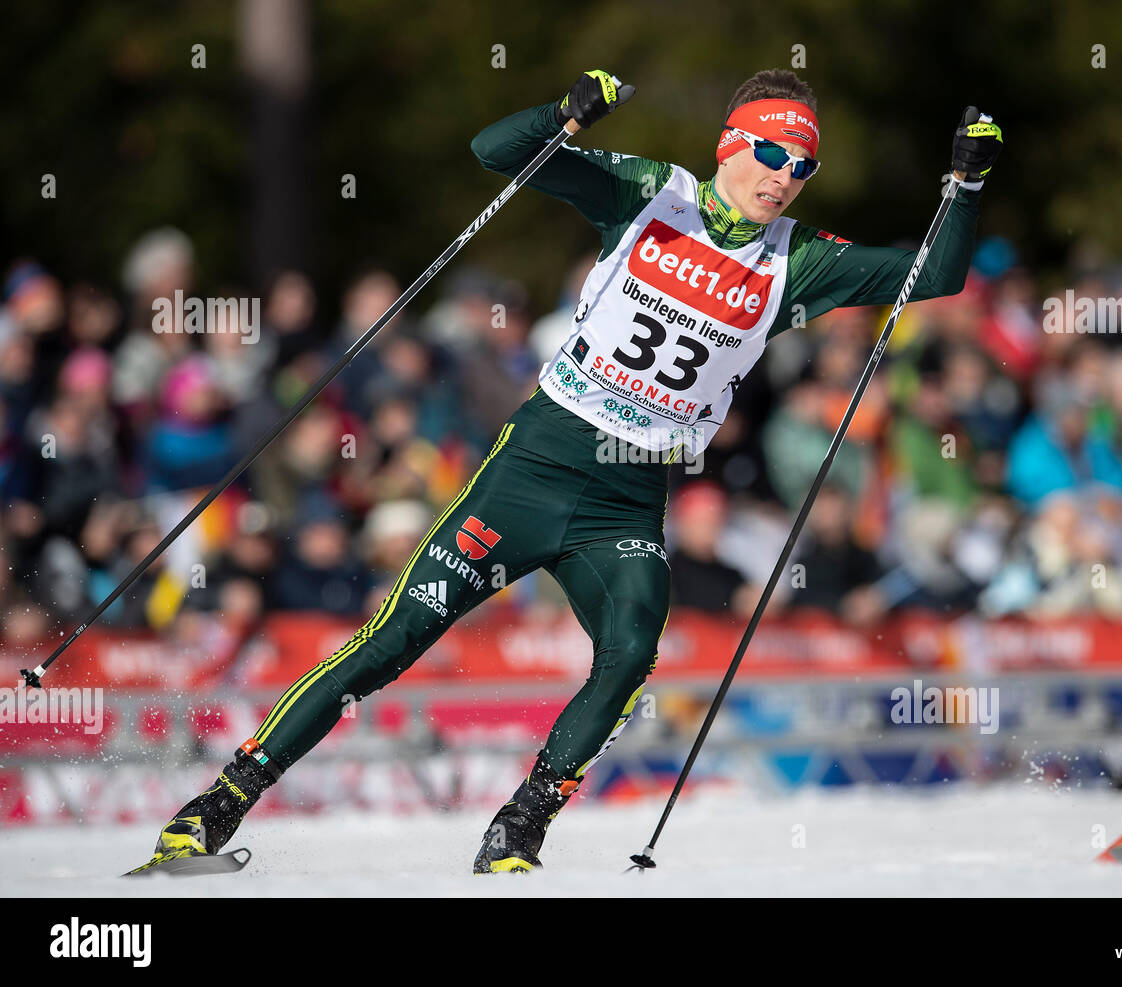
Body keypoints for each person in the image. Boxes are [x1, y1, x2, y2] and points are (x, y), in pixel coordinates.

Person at [131, 68, 1001, 875]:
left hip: (625, 498)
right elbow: (497, 153)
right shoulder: (650, 193)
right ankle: (217, 804)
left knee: (630, 653)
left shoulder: (798, 258)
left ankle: (519, 828)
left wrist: (963, 186)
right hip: (535, 465)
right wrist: (568, 113)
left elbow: (940, 272)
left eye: (802, 164)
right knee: (393, 640)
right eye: (770, 152)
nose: (783, 175)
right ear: (731, 145)